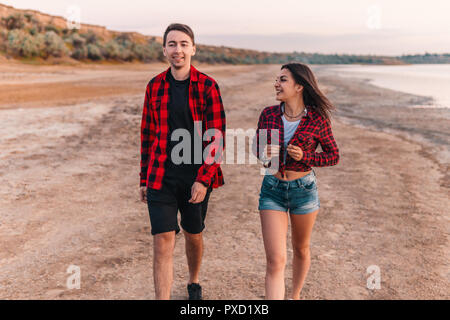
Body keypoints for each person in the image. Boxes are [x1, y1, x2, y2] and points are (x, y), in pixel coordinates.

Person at [139, 23, 226, 300]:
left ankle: (194, 280)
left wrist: (203, 179)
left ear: (193, 49)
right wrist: (143, 179)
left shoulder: (208, 86)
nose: (178, 49)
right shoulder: (154, 86)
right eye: (172, 44)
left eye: (184, 44)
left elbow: (216, 137)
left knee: (193, 233)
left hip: (195, 176)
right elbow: (147, 135)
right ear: (165, 50)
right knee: (163, 241)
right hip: (160, 176)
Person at [253, 63, 339, 300]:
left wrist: (306, 157)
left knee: (301, 249)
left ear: (299, 86)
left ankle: (295, 295)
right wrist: (263, 153)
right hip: (272, 189)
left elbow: (333, 156)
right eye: (277, 79)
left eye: (282, 80)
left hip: (304, 190)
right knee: (275, 260)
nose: (276, 84)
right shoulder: (268, 114)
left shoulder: (318, 119)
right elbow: (256, 148)